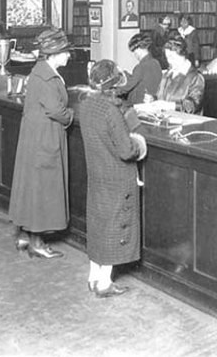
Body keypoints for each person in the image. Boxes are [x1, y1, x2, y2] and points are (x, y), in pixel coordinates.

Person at [79, 59, 148, 298]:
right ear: (114, 84)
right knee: (114, 227)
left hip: (97, 174)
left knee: (98, 224)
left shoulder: (86, 105)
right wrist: (139, 144)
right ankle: (105, 283)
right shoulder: (111, 111)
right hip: (118, 177)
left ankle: (93, 277)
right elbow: (126, 150)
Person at [9, 28, 74, 259]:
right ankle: (38, 243)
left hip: (33, 137)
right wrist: (71, 116)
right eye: (66, 52)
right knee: (43, 188)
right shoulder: (48, 77)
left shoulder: (39, 71)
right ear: (55, 54)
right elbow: (56, 110)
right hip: (45, 137)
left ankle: (24, 235)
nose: (68, 56)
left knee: (31, 186)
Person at [154, 36, 205, 114]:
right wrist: (152, 99)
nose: (170, 61)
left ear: (183, 55)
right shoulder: (167, 75)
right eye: (168, 57)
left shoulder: (195, 77)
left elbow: (192, 106)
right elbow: (160, 96)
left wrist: (170, 106)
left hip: (187, 123)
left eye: (172, 57)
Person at [118, 32, 162, 106]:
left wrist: (120, 75)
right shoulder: (156, 62)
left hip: (139, 104)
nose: (135, 55)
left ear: (139, 49)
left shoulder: (141, 67)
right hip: (153, 102)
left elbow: (127, 86)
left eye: (134, 51)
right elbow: (141, 79)